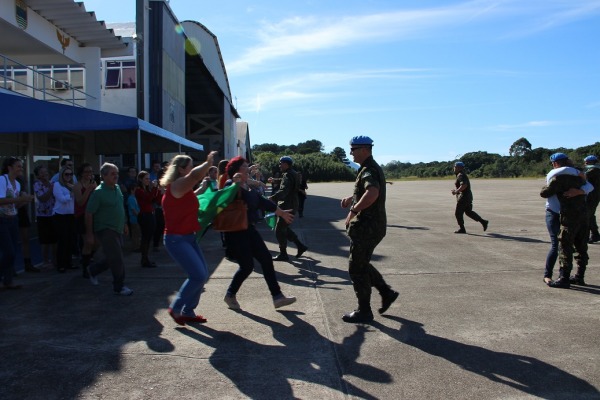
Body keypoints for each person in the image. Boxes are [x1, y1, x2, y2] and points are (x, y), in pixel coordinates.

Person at [222, 156, 297, 310]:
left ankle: (277, 297)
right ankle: (230, 295)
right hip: (236, 232)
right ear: (236, 170)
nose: (248, 169)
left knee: (266, 260)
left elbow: (263, 202)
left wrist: (281, 213)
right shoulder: (231, 185)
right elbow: (225, 200)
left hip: (249, 229)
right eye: (244, 166)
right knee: (247, 266)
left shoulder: (248, 187)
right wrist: (235, 184)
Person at [339, 136, 399, 323]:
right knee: (361, 263)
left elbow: (372, 192)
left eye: (354, 149)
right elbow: (366, 190)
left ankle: (364, 311)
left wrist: (353, 210)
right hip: (373, 226)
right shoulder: (369, 168)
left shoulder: (368, 169)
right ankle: (386, 292)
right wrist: (353, 197)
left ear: (364, 149)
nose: (351, 153)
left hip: (367, 227)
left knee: (356, 268)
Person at [160, 152, 219, 325]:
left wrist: (202, 188)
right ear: (180, 169)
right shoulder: (177, 185)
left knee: (202, 274)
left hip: (188, 237)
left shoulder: (182, 187)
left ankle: (189, 311)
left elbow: (194, 191)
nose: (193, 169)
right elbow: (194, 175)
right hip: (176, 239)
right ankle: (176, 308)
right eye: (190, 165)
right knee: (198, 275)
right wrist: (208, 163)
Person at [542, 153, 593, 285]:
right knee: (581, 247)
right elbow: (590, 187)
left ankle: (564, 278)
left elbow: (544, 193)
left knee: (564, 246)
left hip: (567, 216)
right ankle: (579, 277)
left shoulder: (558, 177)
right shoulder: (580, 177)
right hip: (583, 215)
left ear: (556, 164)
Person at [85, 163, 133, 296]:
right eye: (112, 174)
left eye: (116, 173)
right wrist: (89, 234)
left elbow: (120, 207)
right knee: (117, 258)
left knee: (112, 257)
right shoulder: (98, 192)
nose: (116, 176)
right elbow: (89, 213)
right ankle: (119, 286)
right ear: (104, 176)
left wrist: (124, 224)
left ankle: (93, 270)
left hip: (117, 228)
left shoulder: (117, 188)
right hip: (105, 229)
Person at [0, 157, 34, 289]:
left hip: (13, 219)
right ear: (9, 167)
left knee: (13, 250)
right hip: (2, 220)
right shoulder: (2, 180)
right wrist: (21, 198)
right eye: (18, 166)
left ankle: (8, 281)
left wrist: (24, 201)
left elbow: (15, 205)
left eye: (21, 166)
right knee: (8, 251)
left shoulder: (18, 184)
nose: (21, 169)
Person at [269, 156, 308, 261]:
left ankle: (283, 254)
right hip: (292, 203)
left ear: (286, 164)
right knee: (284, 228)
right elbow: (285, 180)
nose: (279, 165)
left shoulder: (288, 175)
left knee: (279, 230)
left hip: (287, 205)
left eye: (281, 163)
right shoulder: (293, 173)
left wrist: (271, 198)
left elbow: (284, 190)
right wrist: (275, 180)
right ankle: (300, 246)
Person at [73, 163, 97, 277]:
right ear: (81, 173)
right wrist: (88, 190)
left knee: (95, 242)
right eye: (87, 172)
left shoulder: (93, 184)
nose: (89, 174)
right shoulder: (77, 186)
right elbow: (80, 202)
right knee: (88, 241)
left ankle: (88, 258)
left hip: (93, 215)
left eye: (91, 172)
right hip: (82, 216)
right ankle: (85, 267)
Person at [451, 161, 489, 234]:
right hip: (468, 196)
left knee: (458, 213)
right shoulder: (461, 174)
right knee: (468, 212)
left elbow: (464, 185)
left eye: (455, 167)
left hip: (464, 197)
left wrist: (456, 191)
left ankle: (462, 229)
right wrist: (457, 190)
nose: (454, 168)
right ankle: (483, 222)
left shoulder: (460, 175)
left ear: (459, 168)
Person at [135, 171, 161, 268]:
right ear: (141, 179)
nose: (148, 180)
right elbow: (148, 199)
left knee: (148, 237)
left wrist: (157, 189)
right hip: (144, 215)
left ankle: (145, 258)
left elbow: (155, 200)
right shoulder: (139, 190)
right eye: (146, 179)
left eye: (149, 178)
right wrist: (154, 188)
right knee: (146, 238)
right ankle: (144, 259)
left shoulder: (146, 189)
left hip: (150, 214)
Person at [52, 165, 76, 272]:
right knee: (62, 240)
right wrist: (71, 194)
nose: (68, 176)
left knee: (70, 240)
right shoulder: (57, 185)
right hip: (60, 215)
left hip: (70, 215)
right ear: (62, 175)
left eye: (70, 174)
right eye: (66, 174)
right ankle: (60, 264)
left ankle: (68, 262)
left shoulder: (72, 185)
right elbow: (62, 199)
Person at [33, 165, 57, 269]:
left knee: (54, 239)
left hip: (54, 214)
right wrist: (51, 189)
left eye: (45, 171)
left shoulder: (52, 183)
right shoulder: (37, 184)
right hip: (42, 215)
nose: (45, 174)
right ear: (38, 175)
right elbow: (42, 198)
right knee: (45, 240)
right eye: (42, 172)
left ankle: (55, 260)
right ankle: (45, 260)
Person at [584, 155, 600, 243]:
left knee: (588, 215)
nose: (585, 164)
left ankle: (590, 235)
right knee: (590, 215)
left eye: (587, 162)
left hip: (592, 196)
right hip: (593, 195)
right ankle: (595, 234)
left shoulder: (594, 170)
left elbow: (583, 176)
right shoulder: (595, 169)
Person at [126, 184, 141, 252]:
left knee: (137, 233)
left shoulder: (134, 197)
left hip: (137, 218)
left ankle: (138, 245)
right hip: (134, 219)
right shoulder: (130, 198)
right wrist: (139, 215)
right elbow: (133, 210)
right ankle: (135, 247)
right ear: (132, 190)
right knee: (135, 234)